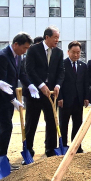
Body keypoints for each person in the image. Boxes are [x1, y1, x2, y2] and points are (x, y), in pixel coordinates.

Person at [0, 33, 32, 161]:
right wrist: (12, 99)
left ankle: (1, 155)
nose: (25, 51)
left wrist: (30, 85)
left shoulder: (18, 57)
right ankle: (1, 157)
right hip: (0, 100)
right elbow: (1, 83)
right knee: (5, 127)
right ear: (15, 44)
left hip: (9, 100)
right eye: (24, 48)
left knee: (4, 128)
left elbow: (21, 74)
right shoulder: (2, 57)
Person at [24, 26, 65, 157]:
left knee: (52, 122)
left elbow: (61, 71)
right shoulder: (33, 50)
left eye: (58, 37)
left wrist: (58, 85)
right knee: (31, 123)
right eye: (55, 37)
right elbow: (29, 70)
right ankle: (28, 150)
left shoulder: (58, 52)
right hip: (35, 93)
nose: (57, 40)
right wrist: (41, 85)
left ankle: (50, 150)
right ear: (47, 37)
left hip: (51, 93)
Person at [58, 41, 89, 152]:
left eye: (78, 52)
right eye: (73, 52)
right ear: (68, 52)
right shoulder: (62, 65)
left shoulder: (83, 66)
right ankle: (64, 146)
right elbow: (58, 82)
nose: (76, 55)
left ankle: (76, 146)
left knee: (77, 125)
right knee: (63, 125)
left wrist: (86, 97)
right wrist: (59, 97)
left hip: (78, 101)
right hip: (65, 101)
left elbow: (85, 83)